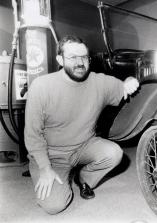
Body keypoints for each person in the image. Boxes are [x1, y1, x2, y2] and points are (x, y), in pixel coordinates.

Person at [24, 35, 139, 214]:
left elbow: (123, 86)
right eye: (73, 57)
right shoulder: (41, 86)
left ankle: (83, 178)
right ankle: (58, 177)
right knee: (54, 205)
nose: (80, 63)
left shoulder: (98, 81)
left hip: (84, 146)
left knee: (114, 153)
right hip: (51, 155)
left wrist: (130, 81)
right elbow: (32, 135)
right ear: (60, 60)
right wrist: (45, 168)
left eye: (84, 57)